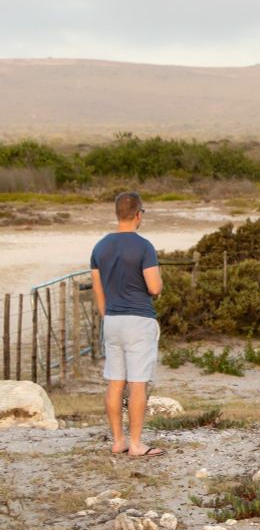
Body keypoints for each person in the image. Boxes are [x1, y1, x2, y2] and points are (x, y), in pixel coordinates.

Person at [90, 191, 165, 457]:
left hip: (111, 320)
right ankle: (136, 443)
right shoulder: (143, 246)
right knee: (137, 384)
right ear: (138, 214)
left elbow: (98, 290)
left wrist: (106, 315)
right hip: (138, 320)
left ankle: (118, 439)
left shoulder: (100, 246)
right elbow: (154, 287)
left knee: (115, 381)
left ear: (116, 213)